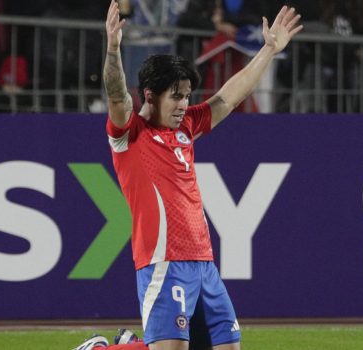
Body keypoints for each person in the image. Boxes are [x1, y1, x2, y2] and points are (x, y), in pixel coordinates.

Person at [72, 2, 302, 350]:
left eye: (187, 97)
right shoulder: (129, 134)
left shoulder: (187, 127)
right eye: (175, 97)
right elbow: (117, 94)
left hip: (204, 263)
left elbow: (228, 96)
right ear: (150, 95)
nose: (183, 105)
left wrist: (269, 50)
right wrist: (114, 49)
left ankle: (131, 343)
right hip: (163, 262)